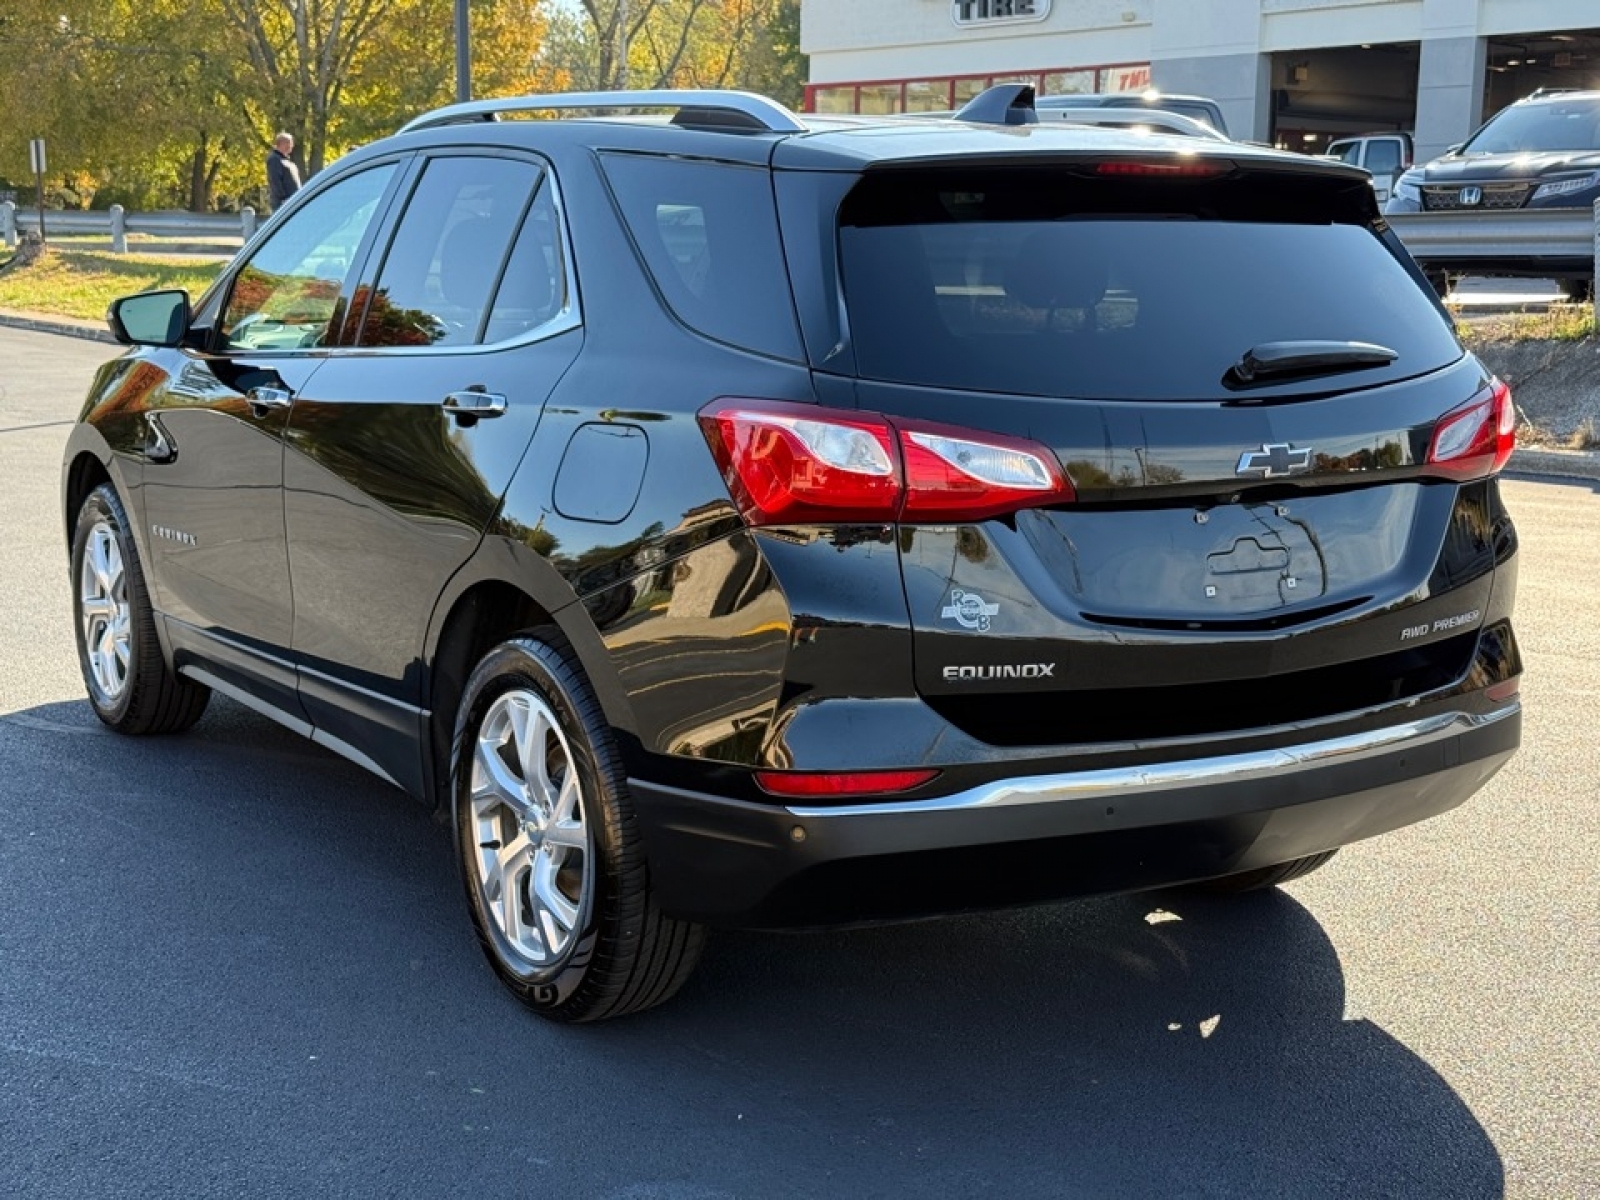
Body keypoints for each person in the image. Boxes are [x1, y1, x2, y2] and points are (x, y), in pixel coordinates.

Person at [266, 132, 302, 212]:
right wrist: (283, 198)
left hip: (292, 201)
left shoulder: (287, 160)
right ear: (281, 143)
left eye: (291, 143)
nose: (291, 145)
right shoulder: (274, 159)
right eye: (289, 143)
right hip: (283, 203)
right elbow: (275, 180)